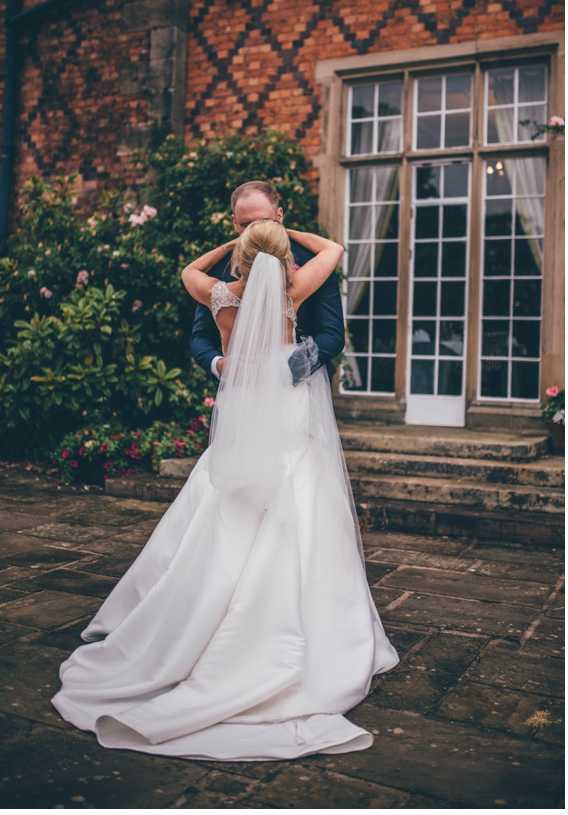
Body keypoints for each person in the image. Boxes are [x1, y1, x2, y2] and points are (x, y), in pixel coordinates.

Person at [52, 218, 399, 760]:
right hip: (284, 400)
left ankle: (200, 607)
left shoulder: (218, 292)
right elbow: (334, 247)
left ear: (240, 255)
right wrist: (287, 239)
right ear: (284, 258)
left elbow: (187, 269)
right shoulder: (294, 289)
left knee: (228, 497)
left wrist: (234, 245)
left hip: (243, 401)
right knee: (297, 494)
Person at [190, 181, 345, 383]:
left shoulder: (312, 261)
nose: (255, 230)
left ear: (279, 216)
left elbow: (332, 335)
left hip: (294, 386)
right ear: (234, 222)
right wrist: (219, 365)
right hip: (239, 391)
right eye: (246, 224)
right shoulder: (218, 269)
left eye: (263, 221)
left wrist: (285, 373)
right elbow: (200, 336)